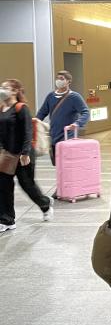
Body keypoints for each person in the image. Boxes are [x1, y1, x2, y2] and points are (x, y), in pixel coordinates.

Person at [0, 79, 53, 232]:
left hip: (23, 154)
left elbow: (27, 132)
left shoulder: (21, 108)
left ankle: (45, 204)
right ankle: (7, 220)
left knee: (27, 184)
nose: (2, 89)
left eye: (6, 87)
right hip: (7, 155)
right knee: (3, 187)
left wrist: (25, 153)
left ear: (15, 91)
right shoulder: (2, 108)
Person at [36, 70, 90, 167]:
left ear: (68, 81)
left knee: (67, 165)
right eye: (57, 78)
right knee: (57, 165)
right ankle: (62, 182)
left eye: (62, 79)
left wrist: (77, 124)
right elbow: (42, 112)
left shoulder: (74, 97)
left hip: (67, 137)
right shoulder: (51, 96)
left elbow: (85, 112)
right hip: (54, 137)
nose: (58, 81)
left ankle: (69, 181)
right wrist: (35, 121)